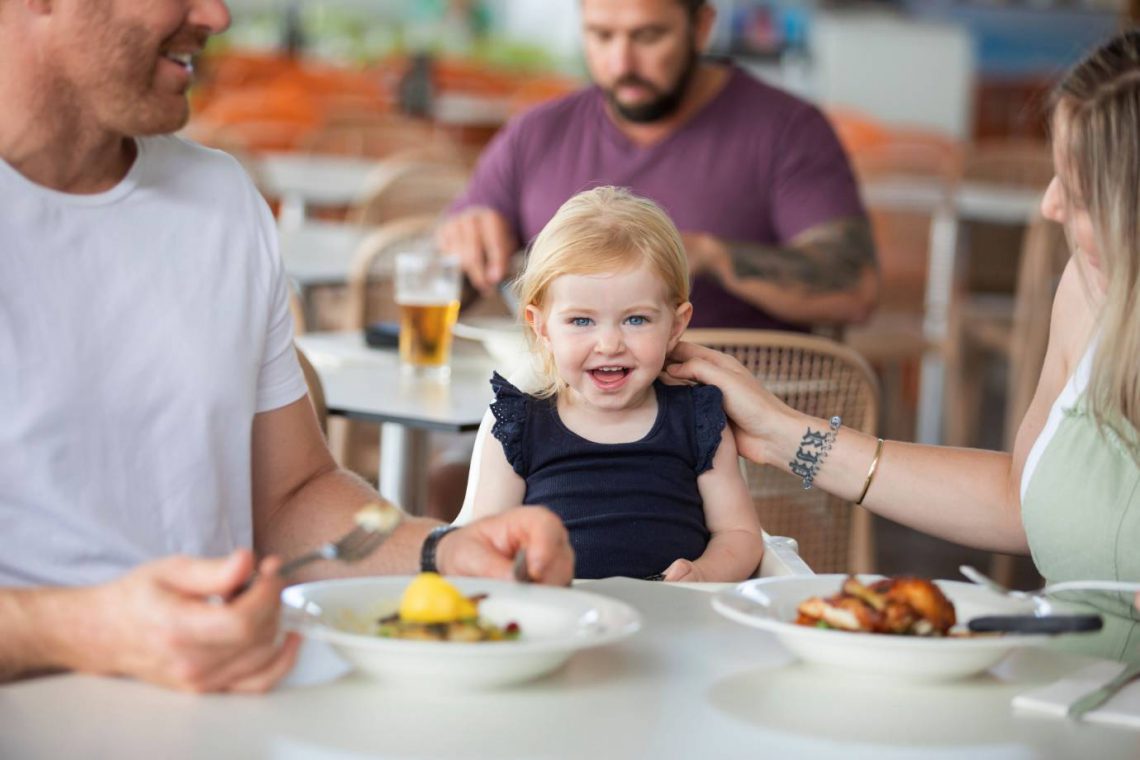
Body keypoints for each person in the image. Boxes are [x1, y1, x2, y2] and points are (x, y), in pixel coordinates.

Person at [0, 0, 573, 692]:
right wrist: (80, 629)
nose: (216, 14)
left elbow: (294, 496)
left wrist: (439, 551)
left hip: (230, 717)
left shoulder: (220, 202)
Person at [666, 29, 1140, 663]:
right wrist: (785, 434)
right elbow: (1020, 500)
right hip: (1062, 690)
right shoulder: (1087, 288)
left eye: (1080, 193)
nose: (1049, 206)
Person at [439, 0, 878, 332]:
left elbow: (854, 287)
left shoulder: (789, 130)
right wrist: (463, 245)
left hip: (735, 425)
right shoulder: (536, 132)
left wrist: (710, 255)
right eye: (601, 36)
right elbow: (446, 272)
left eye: (648, 37)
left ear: (701, 27)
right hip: (554, 413)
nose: (621, 64)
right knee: (457, 459)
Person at [469, 187, 764, 581]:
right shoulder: (520, 425)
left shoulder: (697, 419)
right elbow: (486, 544)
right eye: (581, 321)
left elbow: (739, 534)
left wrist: (705, 574)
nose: (609, 344)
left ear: (676, 325)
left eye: (636, 319)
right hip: (560, 622)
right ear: (541, 326)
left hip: (674, 621)